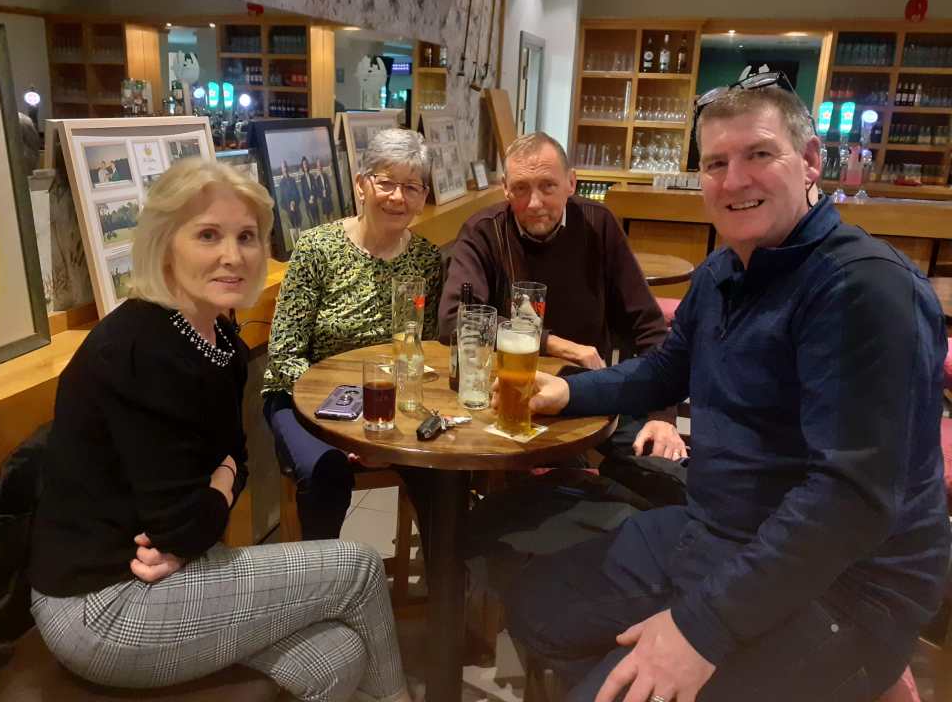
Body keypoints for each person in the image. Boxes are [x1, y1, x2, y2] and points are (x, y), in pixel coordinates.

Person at [503, 74, 951, 702]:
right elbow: (666, 370)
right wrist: (573, 393)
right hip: (723, 531)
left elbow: (848, 501)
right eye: (716, 163)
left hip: (847, 587)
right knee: (534, 605)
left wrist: (700, 629)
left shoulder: (864, 289)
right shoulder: (723, 271)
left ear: (811, 161)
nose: (734, 180)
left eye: (759, 154)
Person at [29, 157, 413, 702]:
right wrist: (198, 516)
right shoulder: (139, 348)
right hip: (102, 604)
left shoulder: (219, 341)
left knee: (339, 654)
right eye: (208, 235)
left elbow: (235, 462)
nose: (233, 255)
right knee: (358, 567)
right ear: (166, 244)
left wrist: (216, 487)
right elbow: (183, 523)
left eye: (246, 236)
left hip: (170, 572)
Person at [440, 131, 683, 464]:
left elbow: (648, 325)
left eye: (548, 186)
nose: (534, 203)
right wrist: (558, 345)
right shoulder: (484, 231)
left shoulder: (598, 224)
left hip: (588, 395)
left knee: (657, 465)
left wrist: (663, 416)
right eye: (521, 188)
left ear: (571, 183)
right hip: (505, 399)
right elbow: (453, 320)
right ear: (505, 188)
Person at [262, 128, 442, 540]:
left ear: (423, 197)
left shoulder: (427, 260)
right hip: (302, 398)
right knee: (326, 472)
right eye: (386, 182)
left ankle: (448, 579)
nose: (398, 197)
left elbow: (422, 352)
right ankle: (324, 578)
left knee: (443, 468)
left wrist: (387, 427)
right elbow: (285, 355)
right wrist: (350, 423)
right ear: (361, 184)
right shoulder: (317, 248)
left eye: (411, 187)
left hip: (388, 402)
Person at [278, 158, 302, 243]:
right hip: (289, 213)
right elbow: (281, 202)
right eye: (283, 167)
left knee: (300, 234)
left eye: (285, 166)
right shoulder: (281, 183)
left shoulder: (292, 180)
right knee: (294, 237)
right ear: (282, 169)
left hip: (297, 211)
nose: (285, 168)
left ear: (287, 168)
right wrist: (289, 207)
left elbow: (298, 195)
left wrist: (294, 202)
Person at [299, 155, 322, 226]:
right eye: (304, 164)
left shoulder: (312, 176)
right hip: (308, 204)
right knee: (312, 223)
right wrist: (308, 200)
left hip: (314, 203)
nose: (305, 165)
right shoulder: (302, 179)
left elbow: (316, 189)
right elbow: (303, 193)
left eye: (306, 164)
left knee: (318, 221)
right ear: (302, 166)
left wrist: (313, 196)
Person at [314, 157, 335, 221]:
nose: (319, 167)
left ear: (322, 167)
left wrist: (327, 192)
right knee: (325, 217)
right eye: (318, 166)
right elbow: (317, 191)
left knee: (331, 216)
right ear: (317, 167)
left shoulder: (325, 175)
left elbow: (329, 187)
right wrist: (322, 194)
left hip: (328, 198)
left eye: (320, 165)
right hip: (323, 201)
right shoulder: (316, 179)